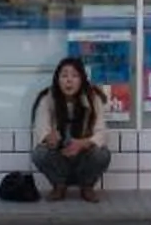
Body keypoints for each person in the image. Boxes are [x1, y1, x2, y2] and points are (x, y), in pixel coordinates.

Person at [31, 56, 113, 203]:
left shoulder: (93, 98)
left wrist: (82, 143)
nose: (69, 80)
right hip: (59, 157)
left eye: (74, 76)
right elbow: (41, 128)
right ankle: (59, 186)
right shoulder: (47, 98)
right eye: (64, 75)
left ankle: (87, 187)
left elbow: (102, 133)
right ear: (57, 79)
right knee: (39, 153)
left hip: (83, 157)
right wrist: (50, 139)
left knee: (102, 154)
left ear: (82, 79)